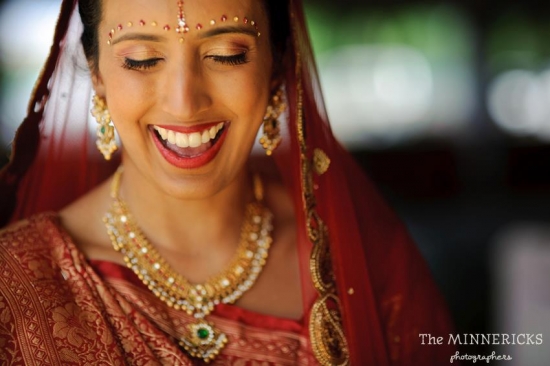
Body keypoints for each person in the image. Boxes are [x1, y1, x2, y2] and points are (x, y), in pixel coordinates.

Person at [0, 0, 457, 364]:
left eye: (226, 55)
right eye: (142, 59)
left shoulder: (361, 260)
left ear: (276, 68)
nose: (184, 102)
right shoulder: (15, 281)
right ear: (97, 75)